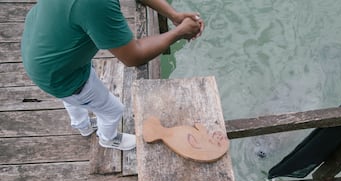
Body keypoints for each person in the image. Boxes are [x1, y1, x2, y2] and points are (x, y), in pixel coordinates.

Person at [21, 0, 204, 151]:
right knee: (112, 110)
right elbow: (133, 56)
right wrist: (179, 32)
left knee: (70, 99)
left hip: (38, 51)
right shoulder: (95, 4)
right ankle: (108, 139)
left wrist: (173, 14)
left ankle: (82, 126)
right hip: (62, 76)